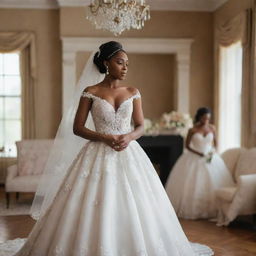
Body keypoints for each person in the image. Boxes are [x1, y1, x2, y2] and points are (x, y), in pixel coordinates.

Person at [0, 42, 213, 255]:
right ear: (106, 63)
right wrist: (103, 137)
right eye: (120, 62)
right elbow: (77, 127)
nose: (125, 67)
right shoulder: (90, 92)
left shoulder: (133, 92)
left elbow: (141, 126)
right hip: (96, 152)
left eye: (127, 63)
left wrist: (129, 137)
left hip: (128, 152)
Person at [165, 107, 234, 220]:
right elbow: (187, 146)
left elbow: (216, 144)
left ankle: (215, 210)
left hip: (210, 157)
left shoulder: (212, 128)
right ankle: (194, 209)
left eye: (208, 118)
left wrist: (211, 152)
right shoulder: (192, 130)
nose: (206, 120)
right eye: (204, 118)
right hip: (193, 157)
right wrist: (198, 153)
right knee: (192, 183)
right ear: (199, 117)